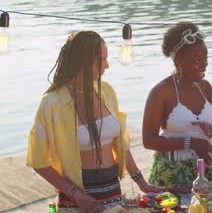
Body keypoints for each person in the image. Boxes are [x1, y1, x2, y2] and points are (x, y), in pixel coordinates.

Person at [27, 31, 162, 213]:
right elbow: (38, 161)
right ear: (82, 62)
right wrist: (76, 194)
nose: (107, 65)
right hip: (77, 199)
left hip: (112, 191)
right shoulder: (53, 103)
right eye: (102, 60)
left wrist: (142, 182)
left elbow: (121, 145)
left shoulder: (106, 91)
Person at [142, 22, 212, 192]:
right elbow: (148, 140)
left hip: (205, 166)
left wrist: (211, 130)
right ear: (179, 61)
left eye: (206, 58)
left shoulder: (206, 87)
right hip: (172, 170)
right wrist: (191, 143)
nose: (205, 64)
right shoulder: (161, 92)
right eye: (197, 60)